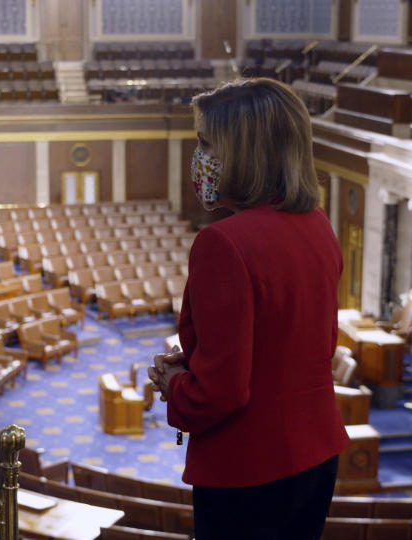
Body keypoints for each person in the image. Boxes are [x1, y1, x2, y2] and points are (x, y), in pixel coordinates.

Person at [149, 78, 349, 539]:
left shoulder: (224, 242)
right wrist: (196, 363)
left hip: (249, 468)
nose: (198, 157)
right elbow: (294, 348)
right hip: (315, 456)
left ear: (244, 152)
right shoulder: (317, 224)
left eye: (205, 143)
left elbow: (221, 394)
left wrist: (176, 383)